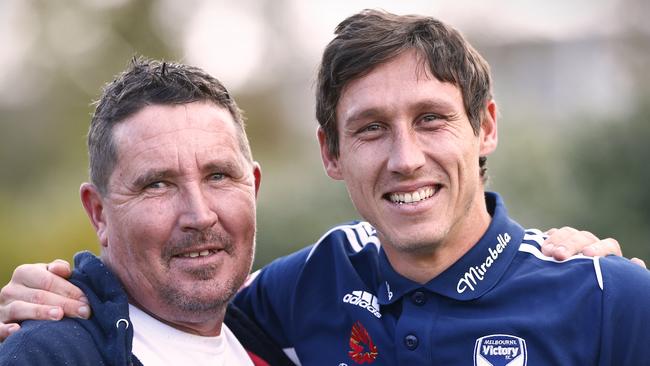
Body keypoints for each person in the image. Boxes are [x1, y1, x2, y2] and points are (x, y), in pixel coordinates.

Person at [1, 9, 648, 365]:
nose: (405, 157)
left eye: (430, 119)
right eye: (370, 129)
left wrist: (609, 283)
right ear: (330, 154)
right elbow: (164, 300)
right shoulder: (301, 290)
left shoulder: (609, 298)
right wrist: (50, 298)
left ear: (486, 128)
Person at [0, 59, 293, 365]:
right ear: (99, 213)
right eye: (158, 184)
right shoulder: (51, 355)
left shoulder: (286, 336)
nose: (200, 215)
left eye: (218, 176)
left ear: (253, 188)